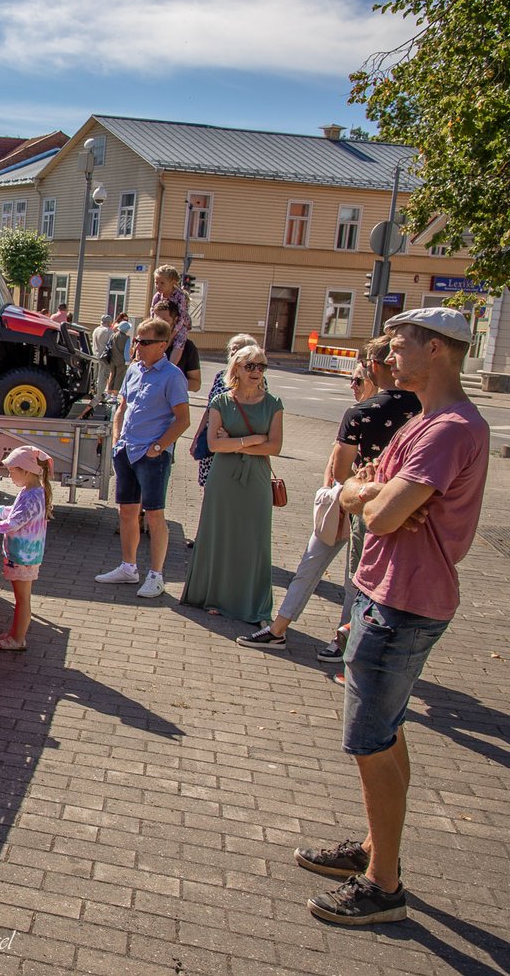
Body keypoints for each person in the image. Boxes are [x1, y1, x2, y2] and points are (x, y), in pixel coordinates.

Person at [297, 307, 488, 927]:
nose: (387, 354)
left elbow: (375, 512)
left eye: (400, 343)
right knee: (387, 730)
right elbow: (356, 487)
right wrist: (374, 493)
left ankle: (383, 886)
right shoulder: (424, 419)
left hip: (404, 601)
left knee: (371, 741)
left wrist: (373, 497)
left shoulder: (448, 429)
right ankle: (376, 849)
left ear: (436, 349)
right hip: (386, 593)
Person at [238, 335, 418, 652]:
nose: (354, 384)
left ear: (375, 368)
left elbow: (340, 469)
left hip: (352, 499)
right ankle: (339, 641)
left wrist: (347, 488)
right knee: (355, 579)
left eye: (358, 378)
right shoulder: (423, 411)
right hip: (395, 505)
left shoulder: (361, 412)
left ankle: (289, 631)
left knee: (323, 569)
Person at [181, 345, 283, 624]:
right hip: (223, 477)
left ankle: (249, 602)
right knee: (220, 535)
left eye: (261, 366)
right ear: (236, 367)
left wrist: (235, 444)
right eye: (250, 365)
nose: (256, 371)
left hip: (257, 478)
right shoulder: (221, 401)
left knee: (253, 540)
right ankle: (215, 598)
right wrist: (253, 440)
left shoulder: (273, 403)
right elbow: (214, 444)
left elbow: (274, 447)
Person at [96, 317, 189, 598]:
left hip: (152, 455)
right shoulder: (134, 370)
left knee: (154, 515)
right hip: (127, 450)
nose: (137, 346)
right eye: (137, 340)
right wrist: (117, 439)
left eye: (145, 342)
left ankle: (156, 575)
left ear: (163, 345)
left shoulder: (172, 376)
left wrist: (158, 448)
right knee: (127, 512)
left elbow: (183, 420)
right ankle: (128, 567)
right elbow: (122, 407)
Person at [0, 446, 53, 652]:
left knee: (22, 600)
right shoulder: (32, 491)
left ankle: (18, 639)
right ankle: (14, 634)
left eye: (12, 471)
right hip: (25, 556)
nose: (9, 476)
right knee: (22, 599)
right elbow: (13, 512)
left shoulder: (31, 496)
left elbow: (13, 523)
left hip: (23, 557)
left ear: (26, 471)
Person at [193, 334, 261, 490]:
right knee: (209, 487)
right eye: (232, 349)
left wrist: (232, 436)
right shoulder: (220, 376)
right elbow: (209, 408)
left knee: (229, 489)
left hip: (235, 443)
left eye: (238, 349)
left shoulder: (256, 380)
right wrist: (197, 436)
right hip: (212, 438)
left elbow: (256, 414)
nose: (233, 352)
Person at [153, 299, 201, 391]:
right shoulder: (144, 342)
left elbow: (196, 384)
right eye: (157, 320)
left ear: (175, 320)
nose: (160, 325)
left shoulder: (187, 347)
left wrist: (170, 384)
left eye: (165, 320)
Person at [151, 264, 192, 362]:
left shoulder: (179, 296)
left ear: (172, 283)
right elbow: (152, 312)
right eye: (156, 282)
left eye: (162, 283)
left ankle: (172, 364)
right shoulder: (157, 296)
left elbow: (182, 317)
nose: (158, 286)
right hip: (163, 322)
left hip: (180, 323)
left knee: (179, 340)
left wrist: (172, 335)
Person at [91, 315, 115, 400]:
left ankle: (92, 392)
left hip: (95, 355)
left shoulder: (96, 330)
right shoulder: (109, 331)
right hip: (104, 357)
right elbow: (112, 345)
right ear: (109, 322)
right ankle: (99, 395)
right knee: (102, 377)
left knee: (94, 376)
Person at [107, 316, 133, 396]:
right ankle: (115, 396)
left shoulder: (113, 335)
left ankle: (108, 393)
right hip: (121, 360)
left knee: (112, 376)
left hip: (112, 359)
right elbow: (126, 351)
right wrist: (127, 360)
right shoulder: (127, 338)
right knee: (119, 377)